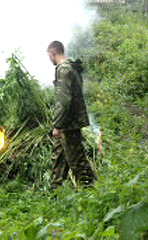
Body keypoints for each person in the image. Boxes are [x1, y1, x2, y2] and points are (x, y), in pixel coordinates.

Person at [47, 41, 95, 189]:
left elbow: (63, 100)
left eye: (49, 55)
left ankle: (89, 190)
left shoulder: (63, 70)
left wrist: (57, 125)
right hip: (70, 121)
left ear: (53, 53)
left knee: (77, 159)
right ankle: (55, 190)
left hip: (69, 123)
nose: (49, 59)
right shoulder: (71, 67)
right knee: (59, 155)